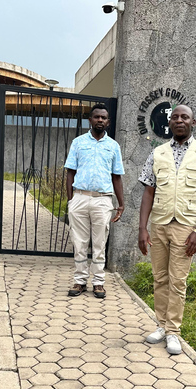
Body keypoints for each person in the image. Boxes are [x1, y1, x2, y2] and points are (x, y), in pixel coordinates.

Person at [138, 105, 196, 354]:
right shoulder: (158, 153)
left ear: (193, 122)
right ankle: (161, 325)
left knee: (178, 280)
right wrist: (142, 228)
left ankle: (174, 331)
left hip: (185, 226)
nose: (179, 120)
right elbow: (148, 192)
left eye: (184, 117)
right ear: (170, 123)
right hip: (160, 223)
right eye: (175, 117)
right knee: (159, 277)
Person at [65, 103, 125, 299]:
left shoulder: (113, 146)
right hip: (80, 197)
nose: (100, 120)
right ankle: (80, 281)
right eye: (96, 117)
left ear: (108, 122)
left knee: (100, 243)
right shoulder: (78, 143)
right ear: (90, 120)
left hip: (102, 200)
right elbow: (70, 172)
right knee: (79, 243)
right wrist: (70, 200)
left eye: (103, 118)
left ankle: (98, 283)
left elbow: (117, 176)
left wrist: (121, 203)